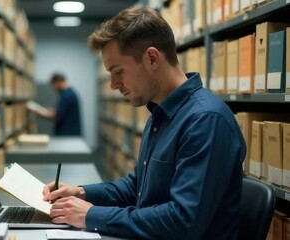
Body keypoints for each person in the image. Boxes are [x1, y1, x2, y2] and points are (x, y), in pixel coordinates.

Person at [42, 6, 246, 239]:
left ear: (151, 58)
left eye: (118, 71)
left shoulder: (205, 121)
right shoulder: (160, 115)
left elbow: (183, 221)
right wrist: (82, 192)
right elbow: (138, 187)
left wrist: (92, 215)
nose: (113, 84)